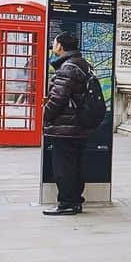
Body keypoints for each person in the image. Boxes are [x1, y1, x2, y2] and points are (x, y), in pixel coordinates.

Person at [42, 32, 95, 216]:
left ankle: (66, 203)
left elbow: (58, 99)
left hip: (66, 127)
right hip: (79, 125)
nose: (53, 45)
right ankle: (75, 201)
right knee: (76, 165)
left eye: (54, 42)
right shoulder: (82, 64)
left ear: (61, 46)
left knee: (63, 167)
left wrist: (45, 114)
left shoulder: (67, 68)